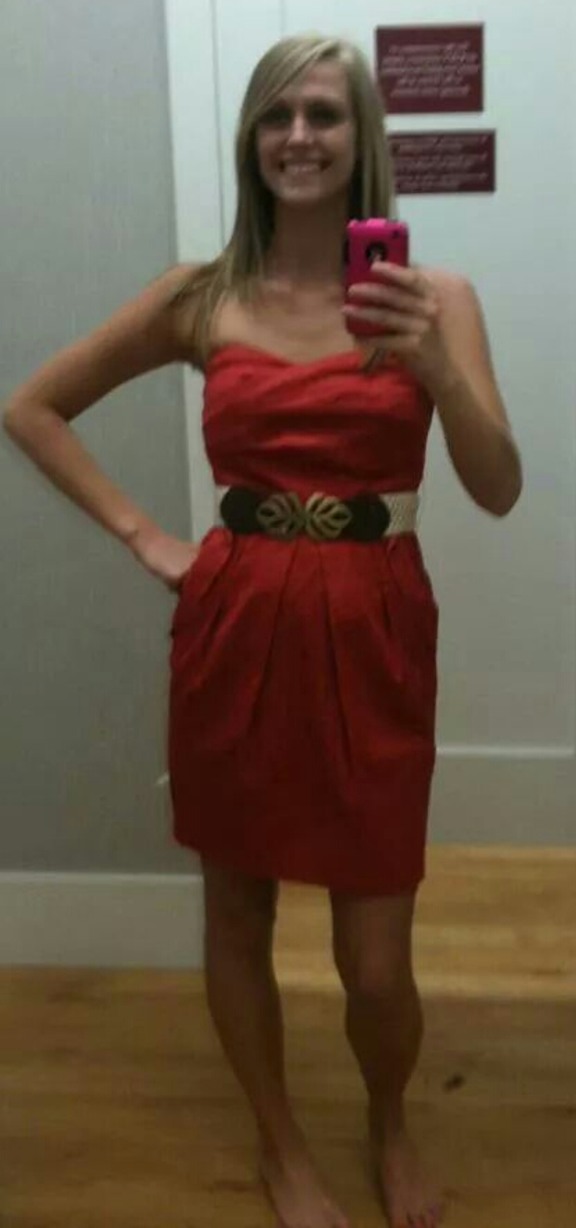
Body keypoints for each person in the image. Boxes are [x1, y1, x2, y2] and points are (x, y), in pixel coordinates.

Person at [3, 32, 522, 1228]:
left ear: (361, 138)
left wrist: (438, 368)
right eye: (276, 116)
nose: (298, 137)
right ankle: (280, 1142)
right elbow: (32, 407)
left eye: (324, 115)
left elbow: (497, 486)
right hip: (235, 624)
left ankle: (388, 1117)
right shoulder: (203, 296)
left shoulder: (437, 300)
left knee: (376, 958)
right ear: (251, 139)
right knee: (237, 910)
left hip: (377, 627)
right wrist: (147, 537)